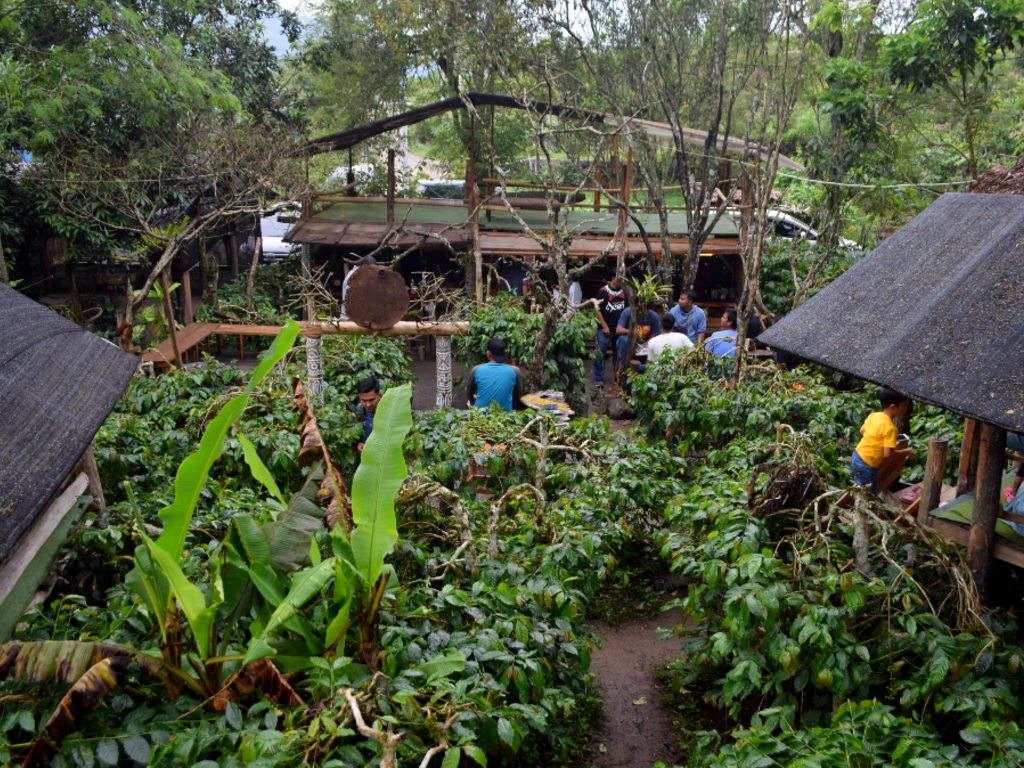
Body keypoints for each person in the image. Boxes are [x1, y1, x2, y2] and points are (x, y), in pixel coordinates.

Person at [851, 388, 916, 494]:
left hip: (857, 457)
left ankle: (856, 506)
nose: (905, 409)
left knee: (861, 488)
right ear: (893, 407)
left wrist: (877, 441)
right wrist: (907, 451)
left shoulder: (874, 416)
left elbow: (862, 431)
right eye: (904, 406)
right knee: (869, 495)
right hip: (867, 464)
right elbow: (888, 454)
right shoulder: (890, 428)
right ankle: (861, 509)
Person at [467, 337, 525, 412]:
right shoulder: (515, 371)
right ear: (504, 354)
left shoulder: (476, 369)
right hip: (505, 416)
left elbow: (469, 393)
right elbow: (517, 396)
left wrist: (473, 402)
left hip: (479, 416)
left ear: (488, 354)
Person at [594, 276, 626, 388]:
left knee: (618, 355)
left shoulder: (625, 292)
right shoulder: (602, 292)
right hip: (604, 329)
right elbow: (597, 310)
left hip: (619, 330)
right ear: (612, 278)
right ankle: (599, 379)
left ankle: (617, 380)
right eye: (619, 278)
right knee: (599, 353)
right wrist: (604, 326)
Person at [615, 304, 661, 372]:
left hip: (644, 345)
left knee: (656, 343)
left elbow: (653, 338)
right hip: (629, 343)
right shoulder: (627, 312)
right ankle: (624, 367)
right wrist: (631, 331)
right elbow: (618, 330)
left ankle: (648, 369)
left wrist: (645, 346)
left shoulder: (654, 317)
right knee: (623, 340)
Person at [355, 376, 382, 456]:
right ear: (359, 397)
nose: (368, 404)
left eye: (372, 400)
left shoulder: (387, 411)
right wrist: (359, 444)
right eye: (364, 400)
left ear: (379, 395)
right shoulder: (359, 410)